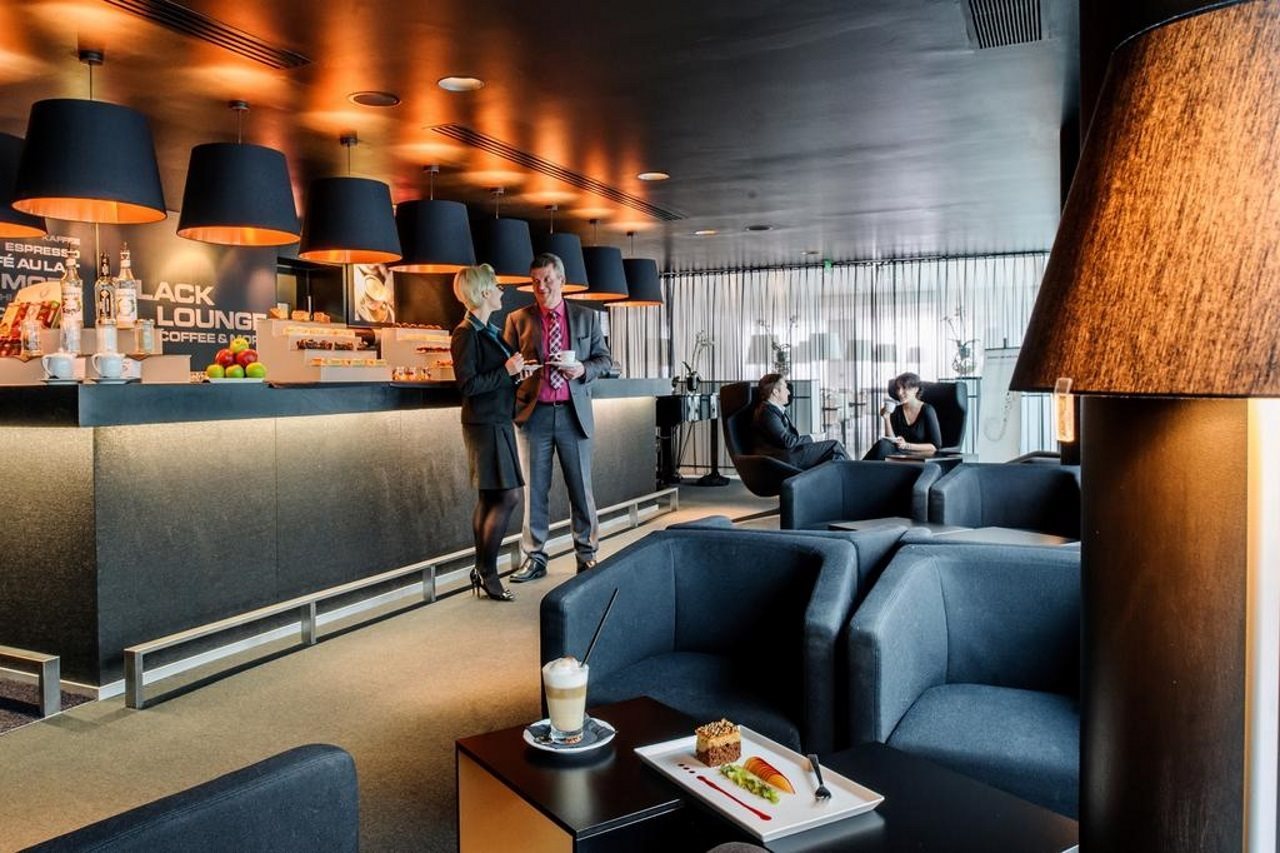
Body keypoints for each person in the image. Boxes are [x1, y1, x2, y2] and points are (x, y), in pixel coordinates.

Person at [503, 253, 612, 581]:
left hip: (573, 416)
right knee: (535, 492)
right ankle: (534, 558)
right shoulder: (517, 319)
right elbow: (505, 366)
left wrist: (582, 369)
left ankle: (587, 555)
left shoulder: (586, 318)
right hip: (532, 416)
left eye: (547, 280)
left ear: (562, 281)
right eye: (535, 281)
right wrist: (518, 372)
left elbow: (604, 360)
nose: (541, 287)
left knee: (581, 489)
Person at [450, 264, 529, 602]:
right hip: (485, 424)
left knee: (491, 497)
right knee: (508, 496)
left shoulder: (490, 331)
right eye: (497, 286)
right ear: (484, 292)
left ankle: (483, 570)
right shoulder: (465, 333)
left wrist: (516, 374)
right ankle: (487, 571)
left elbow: (496, 376)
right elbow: (468, 385)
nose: (501, 291)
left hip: (497, 421)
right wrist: (507, 371)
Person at [751, 373, 848, 469]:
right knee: (834, 446)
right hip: (781, 458)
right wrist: (814, 438)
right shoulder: (767, 412)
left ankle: (846, 475)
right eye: (785, 388)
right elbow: (787, 441)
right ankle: (853, 473)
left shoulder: (776, 410)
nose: (789, 392)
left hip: (788, 454)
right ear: (775, 392)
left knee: (835, 456)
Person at [863, 371, 942, 460]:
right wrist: (887, 418)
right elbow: (892, 440)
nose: (899, 392)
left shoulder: (927, 410)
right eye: (898, 388)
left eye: (904, 388)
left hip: (920, 455)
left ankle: (857, 467)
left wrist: (907, 445)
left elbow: (935, 446)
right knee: (883, 444)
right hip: (899, 453)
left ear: (915, 389)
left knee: (883, 447)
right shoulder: (896, 410)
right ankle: (859, 466)